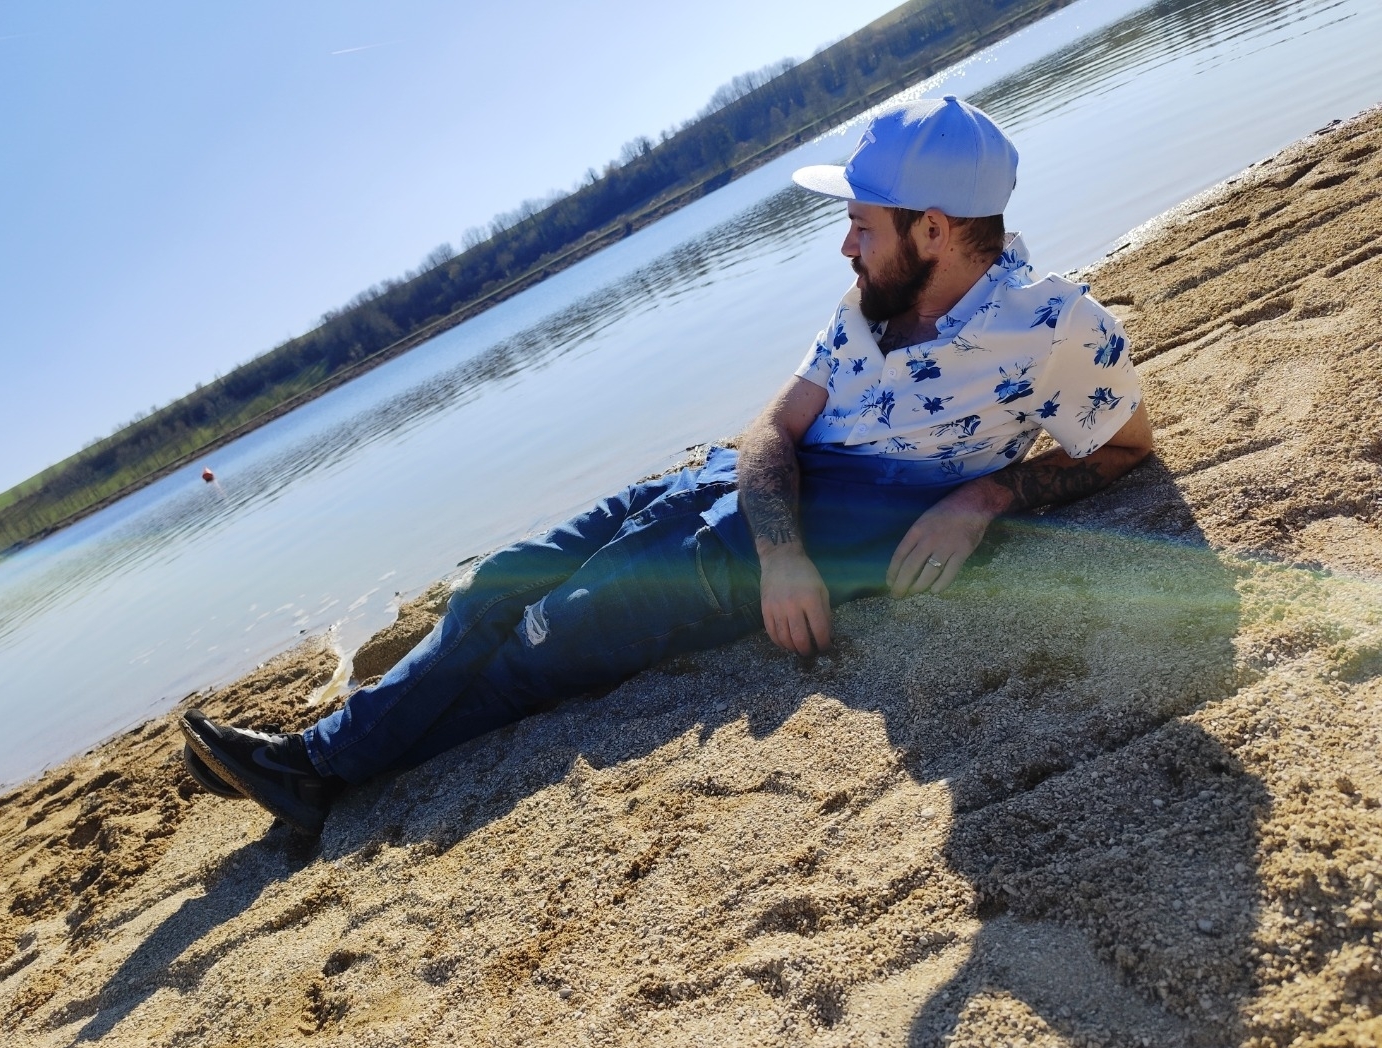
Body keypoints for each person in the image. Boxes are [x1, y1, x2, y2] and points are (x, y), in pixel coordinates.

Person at [181, 96, 1153, 834]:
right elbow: (771, 429)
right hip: (716, 493)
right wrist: (782, 552)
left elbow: (1126, 445)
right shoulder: (869, 304)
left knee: (535, 644)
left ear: (932, 229)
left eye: (863, 223)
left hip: (715, 562)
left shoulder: (1053, 327)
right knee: (495, 583)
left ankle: (316, 773)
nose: (845, 243)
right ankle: (318, 759)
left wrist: (986, 496)